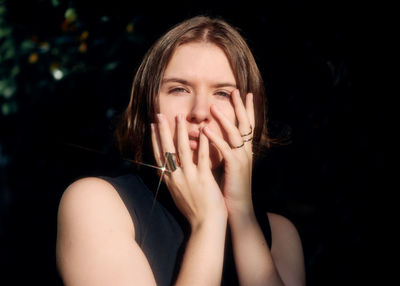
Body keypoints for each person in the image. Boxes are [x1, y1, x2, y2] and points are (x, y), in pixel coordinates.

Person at [56, 16, 305, 286]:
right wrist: (207, 222)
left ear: (249, 113)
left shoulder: (280, 234)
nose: (199, 112)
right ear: (149, 106)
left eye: (222, 93)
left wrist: (242, 213)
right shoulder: (96, 204)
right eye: (179, 89)